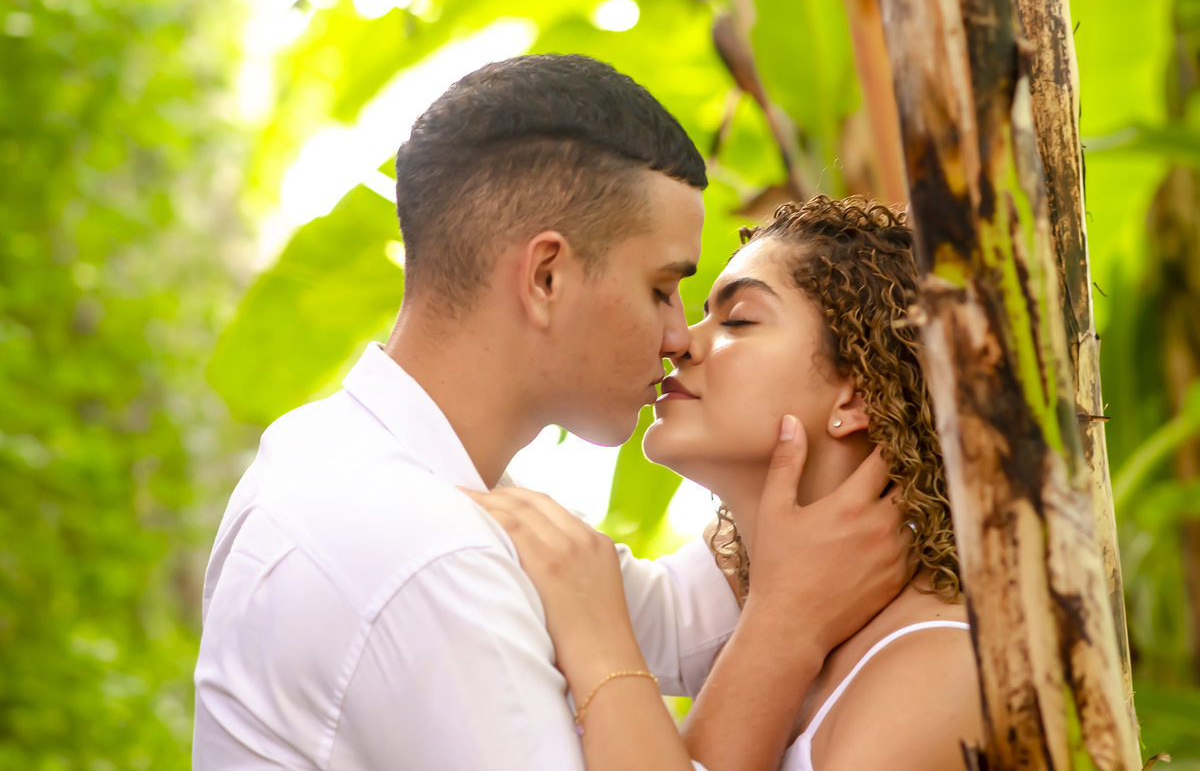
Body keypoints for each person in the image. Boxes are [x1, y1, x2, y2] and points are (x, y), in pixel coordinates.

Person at [192, 55, 909, 770]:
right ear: (546, 278)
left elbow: (675, 621)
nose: (677, 336)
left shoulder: (346, 456)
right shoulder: (426, 557)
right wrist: (785, 625)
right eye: (662, 288)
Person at [469, 196, 984, 771]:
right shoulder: (746, 588)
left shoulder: (940, 669)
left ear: (857, 394)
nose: (681, 341)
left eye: (737, 320)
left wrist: (599, 643)